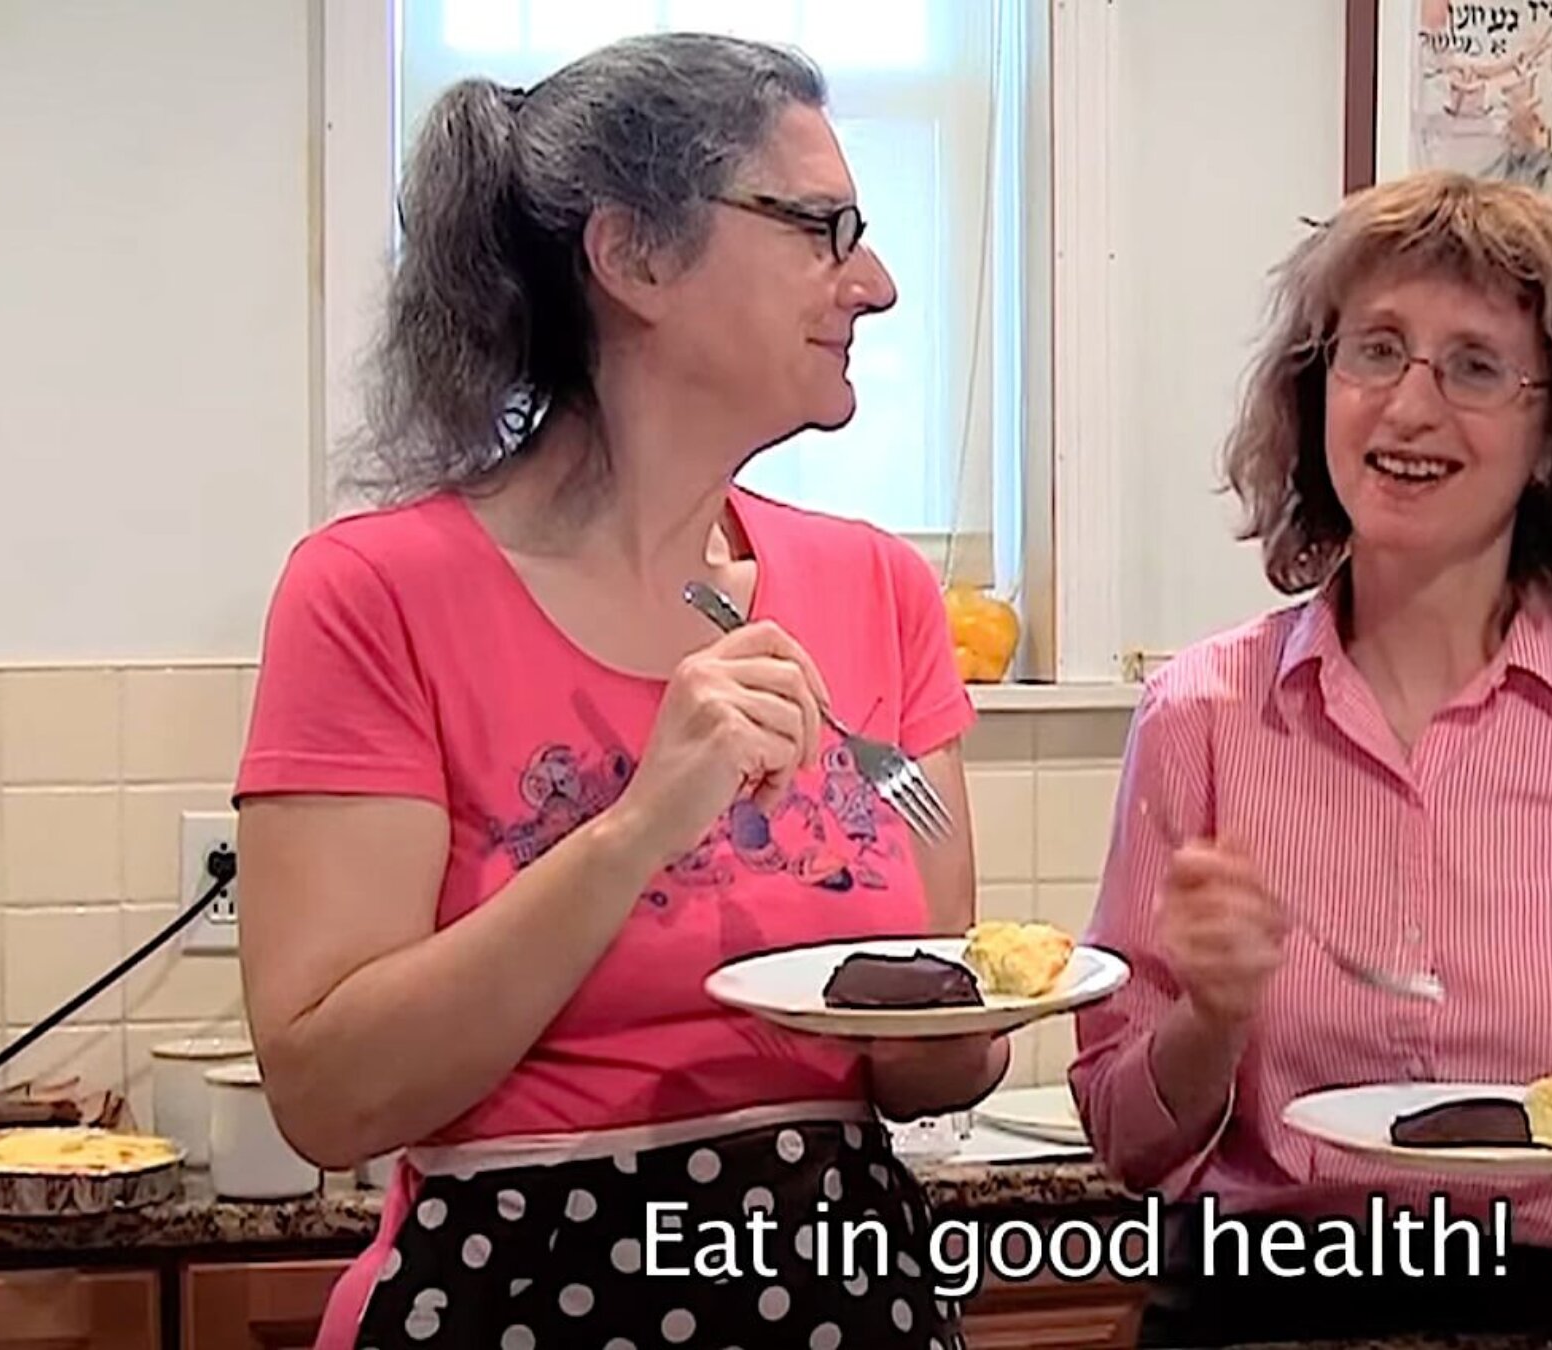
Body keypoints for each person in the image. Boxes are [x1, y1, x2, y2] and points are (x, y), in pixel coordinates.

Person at [232, 33, 999, 1350]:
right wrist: (641, 823)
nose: (872, 282)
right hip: (513, 1297)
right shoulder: (373, 593)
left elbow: (940, 1047)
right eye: (822, 229)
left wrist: (1005, 1009)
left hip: (845, 1296)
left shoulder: (882, 593)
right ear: (635, 257)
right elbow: (333, 1096)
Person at [1069, 170, 1552, 1346]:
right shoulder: (1197, 711)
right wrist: (1210, 1016)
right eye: (1376, 352)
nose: (1410, 408)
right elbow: (1124, 1134)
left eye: (1473, 367)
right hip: (1268, 1313)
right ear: (1316, 392)